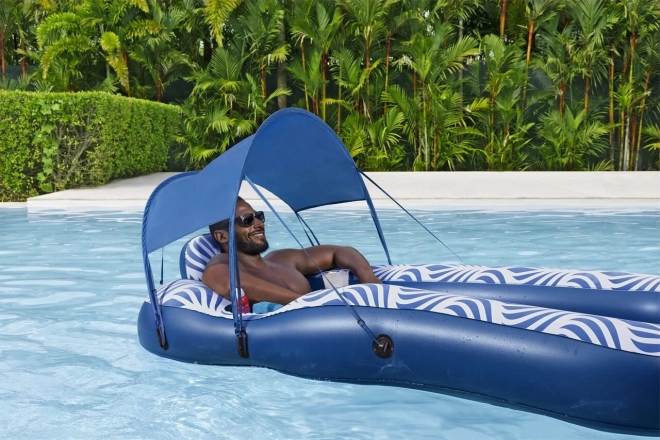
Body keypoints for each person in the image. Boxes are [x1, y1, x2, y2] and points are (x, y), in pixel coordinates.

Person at [202, 197, 382, 305]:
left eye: (259, 216)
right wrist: (311, 304)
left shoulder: (281, 259)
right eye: (247, 220)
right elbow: (227, 283)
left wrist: (366, 275)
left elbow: (338, 252)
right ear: (222, 236)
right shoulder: (222, 265)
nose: (258, 224)